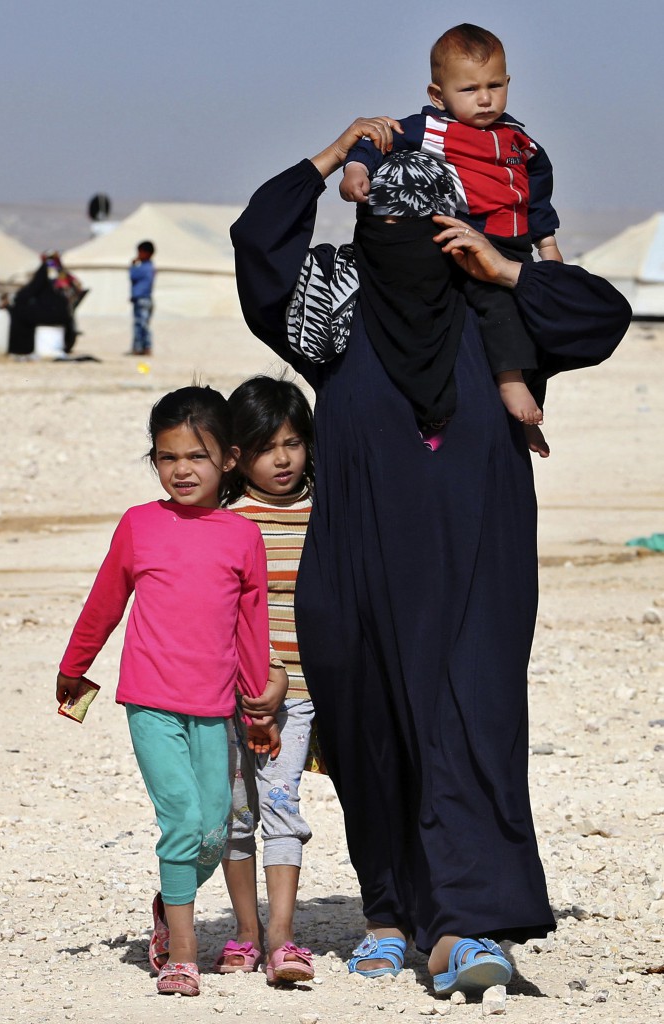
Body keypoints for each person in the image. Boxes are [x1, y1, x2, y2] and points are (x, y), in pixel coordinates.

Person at [230, 116, 631, 998]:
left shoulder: (496, 317)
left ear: (455, 235)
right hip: (360, 574)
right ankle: (388, 913)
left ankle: (466, 925)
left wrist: (507, 266)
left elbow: (604, 314)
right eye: (385, 235)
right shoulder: (333, 310)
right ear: (364, 239)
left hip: (475, 580)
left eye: (424, 236)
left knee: (469, 727)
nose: (403, 254)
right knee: (373, 739)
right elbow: (259, 240)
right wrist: (333, 155)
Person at [55, 385, 286, 998]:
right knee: (182, 819)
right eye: (167, 457)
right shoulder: (139, 525)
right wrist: (74, 666)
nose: (181, 470)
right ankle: (183, 953)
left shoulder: (242, 536)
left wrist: (259, 702)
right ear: (154, 459)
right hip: (151, 702)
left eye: (197, 456)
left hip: (216, 710)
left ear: (229, 458)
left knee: (214, 828)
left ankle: (168, 903)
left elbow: (250, 628)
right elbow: (105, 602)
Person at [340, 23, 562, 428]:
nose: (484, 98)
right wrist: (356, 166)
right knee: (498, 305)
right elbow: (378, 138)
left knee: (536, 323)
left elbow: (538, 196)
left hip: (516, 247)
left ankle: (528, 416)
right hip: (471, 243)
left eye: (495, 85)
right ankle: (509, 383)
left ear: (508, 82)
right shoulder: (434, 129)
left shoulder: (521, 141)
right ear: (437, 95)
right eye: (469, 89)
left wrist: (547, 245)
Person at [216, 375, 317, 985]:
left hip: (300, 695)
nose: (281, 459)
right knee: (233, 815)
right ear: (236, 455)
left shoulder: (329, 514)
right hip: (231, 696)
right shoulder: (227, 522)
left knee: (282, 808)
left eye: (293, 443)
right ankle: (245, 933)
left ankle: (281, 937)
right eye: (263, 446)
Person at [7, 250, 84, 356]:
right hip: (64, 315)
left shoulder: (47, 269)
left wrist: (17, 298)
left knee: (18, 312)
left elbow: (32, 289)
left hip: (52, 313)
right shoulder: (61, 272)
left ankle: (20, 349)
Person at [129, 240, 155, 356]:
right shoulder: (150, 267)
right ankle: (143, 347)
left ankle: (141, 347)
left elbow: (133, 276)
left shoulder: (144, 267)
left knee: (141, 324)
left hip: (142, 299)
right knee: (142, 324)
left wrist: (133, 265)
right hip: (144, 299)